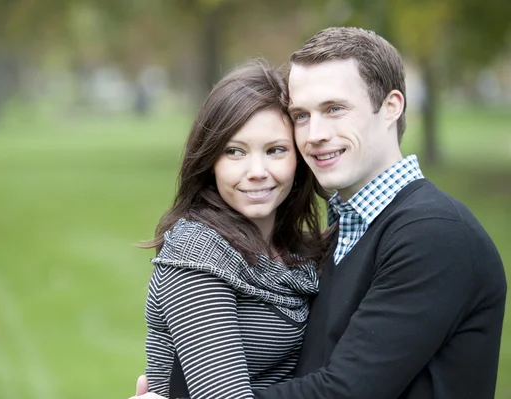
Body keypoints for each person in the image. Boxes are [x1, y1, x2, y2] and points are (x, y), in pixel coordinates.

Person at [130, 26, 507, 399]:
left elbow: (345, 390)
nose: (315, 134)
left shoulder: (434, 234)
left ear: (391, 106)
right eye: (302, 115)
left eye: (334, 109)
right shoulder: (346, 228)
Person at [140, 60, 332, 399]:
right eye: (234, 152)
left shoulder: (299, 251)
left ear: (299, 158)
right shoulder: (197, 253)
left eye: (275, 150)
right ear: (210, 160)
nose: (256, 171)